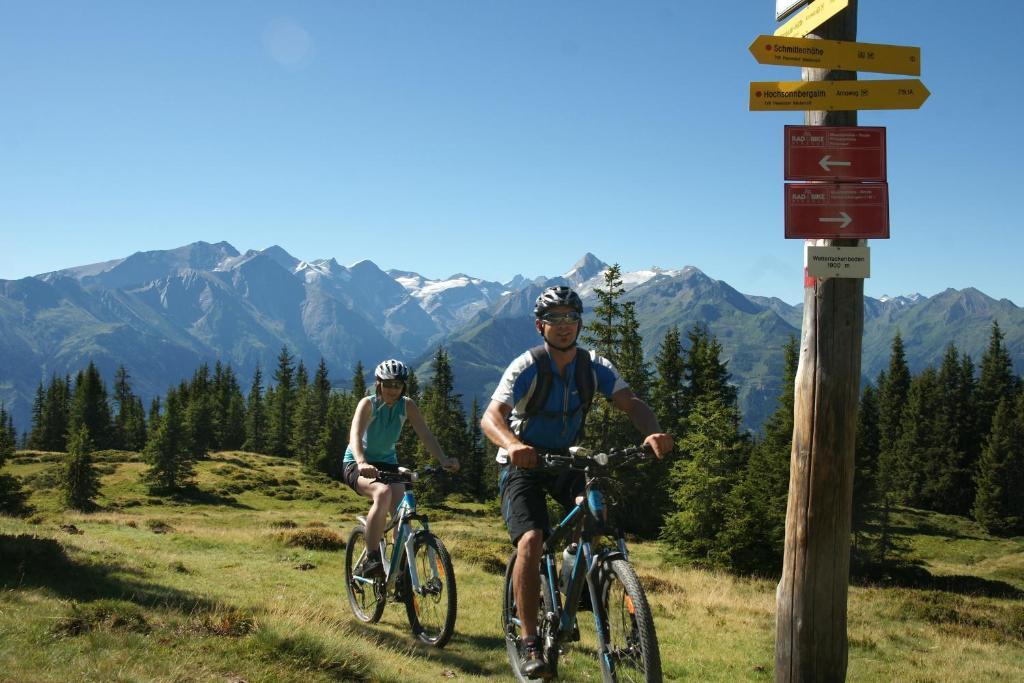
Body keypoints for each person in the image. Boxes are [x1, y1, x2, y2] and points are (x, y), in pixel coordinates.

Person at [481, 285, 674, 679]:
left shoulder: (594, 367)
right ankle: (531, 639)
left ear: (580, 322)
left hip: (566, 460)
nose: (564, 325)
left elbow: (632, 403)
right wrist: (514, 445)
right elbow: (490, 417)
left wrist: (652, 432)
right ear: (540, 325)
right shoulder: (527, 366)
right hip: (524, 464)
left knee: (595, 510)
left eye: (571, 317)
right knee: (532, 540)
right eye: (555, 319)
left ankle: (575, 577)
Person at [343, 359, 459, 578]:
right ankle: (372, 557)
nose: (392, 390)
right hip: (356, 463)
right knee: (382, 492)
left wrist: (443, 459)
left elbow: (425, 434)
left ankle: (398, 569)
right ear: (378, 384)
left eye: (397, 385)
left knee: (402, 510)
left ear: (403, 387)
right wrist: (361, 462)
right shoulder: (368, 404)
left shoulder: (407, 405)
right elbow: (355, 435)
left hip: (387, 463)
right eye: (388, 384)